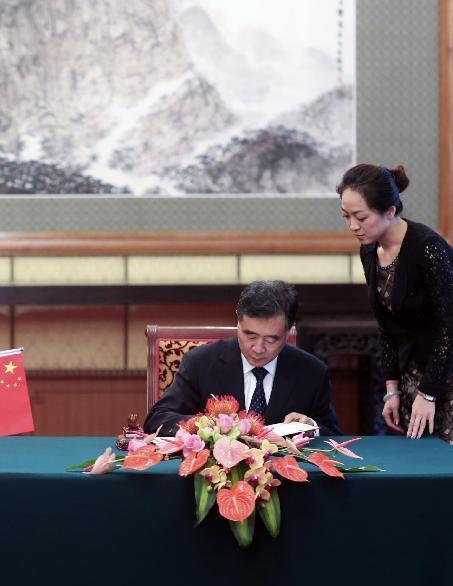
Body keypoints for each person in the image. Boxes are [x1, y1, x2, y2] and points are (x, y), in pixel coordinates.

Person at [337, 164, 453, 442]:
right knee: (418, 467)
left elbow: (449, 327)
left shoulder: (428, 248)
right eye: (346, 216)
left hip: (445, 373)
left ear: (389, 211)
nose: (353, 225)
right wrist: (393, 388)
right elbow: (387, 325)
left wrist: (429, 392)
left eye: (361, 217)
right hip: (412, 372)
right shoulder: (369, 249)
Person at [144, 280, 340, 435]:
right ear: (237, 322)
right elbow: (157, 419)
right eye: (250, 335)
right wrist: (205, 426)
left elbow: (332, 433)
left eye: (271, 339)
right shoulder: (201, 363)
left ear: (288, 331)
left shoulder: (311, 371)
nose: (258, 348)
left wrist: (310, 426)